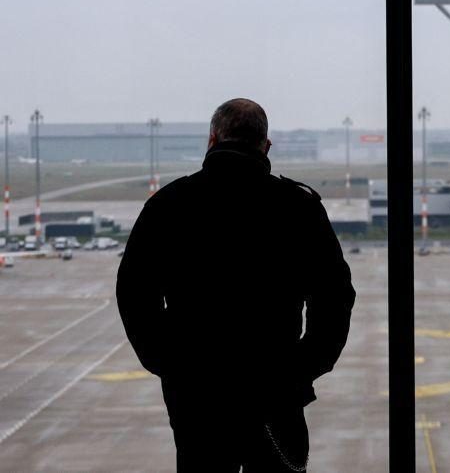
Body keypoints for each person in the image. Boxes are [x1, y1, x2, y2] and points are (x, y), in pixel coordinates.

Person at [117, 98, 355, 472]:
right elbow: (335, 295)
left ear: (212, 140)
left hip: (197, 395)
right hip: (276, 390)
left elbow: (134, 293)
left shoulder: (170, 204)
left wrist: (170, 364)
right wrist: (305, 366)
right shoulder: (298, 207)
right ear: (266, 146)